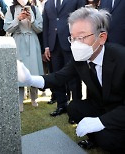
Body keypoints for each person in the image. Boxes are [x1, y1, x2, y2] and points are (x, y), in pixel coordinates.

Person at [17, 7, 125, 153]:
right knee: (74, 108)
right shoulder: (80, 59)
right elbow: (59, 77)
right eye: (72, 38)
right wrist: (30, 79)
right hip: (101, 106)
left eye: (81, 37)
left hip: (120, 110)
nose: (75, 44)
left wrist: (101, 121)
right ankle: (95, 139)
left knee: (108, 140)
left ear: (102, 37)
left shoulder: (121, 58)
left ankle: (104, 136)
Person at [42, 0, 86, 117]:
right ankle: (61, 105)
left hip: (71, 43)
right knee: (57, 76)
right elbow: (46, 25)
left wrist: (79, 41)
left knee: (74, 78)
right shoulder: (48, 3)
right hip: (53, 46)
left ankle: (76, 109)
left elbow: (82, 20)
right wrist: (46, 46)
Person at [4, 0, 43, 112]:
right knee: (19, 71)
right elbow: (6, 28)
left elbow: (40, 28)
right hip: (18, 42)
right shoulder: (11, 9)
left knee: (33, 70)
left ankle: (34, 98)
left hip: (32, 41)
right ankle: (19, 101)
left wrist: (32, 19)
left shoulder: (35, 9)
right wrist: (18, 19)